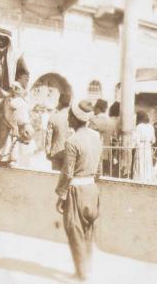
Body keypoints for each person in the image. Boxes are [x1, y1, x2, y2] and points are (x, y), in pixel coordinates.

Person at [55, 100, 101, 282]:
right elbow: (98, 167)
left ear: (75, 119)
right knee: (89, 231)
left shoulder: (72, 141)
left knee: (74, 231)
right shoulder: (96, 137)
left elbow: (67, 172)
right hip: (92, 190)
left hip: (76, 190)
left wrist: (61, 194)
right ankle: (86, 269)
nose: (68, 119)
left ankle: (82, 275)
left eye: (69, 116)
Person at [89, 99, 117, 175]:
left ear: (98, 108)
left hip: (94, 154)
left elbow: (87, 137)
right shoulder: (111, 123)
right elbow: (115, 141)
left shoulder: (93, 121)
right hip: (107, 154)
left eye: (95, 108)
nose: (93, 110)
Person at [45, 93, 72, 171]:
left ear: (59, 103)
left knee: (56, 178)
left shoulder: (53, 117)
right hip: (70, 153)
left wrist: (48, 151)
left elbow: (48, 137)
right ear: (69, 104)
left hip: (56, 153)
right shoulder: (73, 118)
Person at [132, 110, 155, 181]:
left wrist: (134, 146)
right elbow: (153, 140)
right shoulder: (151, 127)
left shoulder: (139, 127)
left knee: (140, 162)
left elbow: (135, 139)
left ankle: (140, 177)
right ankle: (147, 177)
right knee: (147, 163)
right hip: (148, 146)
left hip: (141, 146)